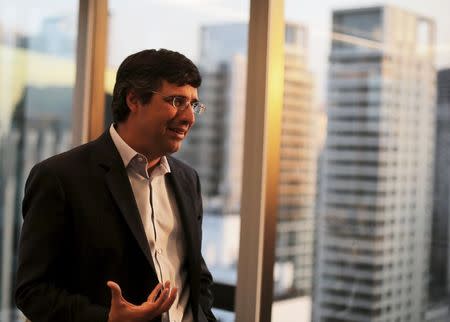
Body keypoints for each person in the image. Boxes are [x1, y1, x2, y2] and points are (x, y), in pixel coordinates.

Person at [15, 49, 216, 322]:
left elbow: (196, 276)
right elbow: (33, 292)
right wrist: (107, 320)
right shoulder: (59, 178)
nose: (189, 118)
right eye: (177, 101)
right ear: (133, 99)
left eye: (193, 105)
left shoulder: (187, 179)